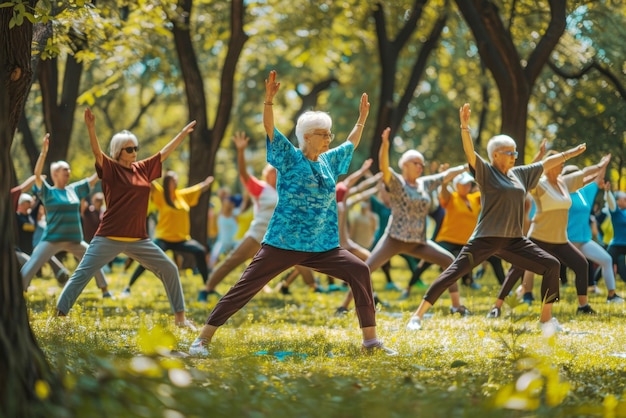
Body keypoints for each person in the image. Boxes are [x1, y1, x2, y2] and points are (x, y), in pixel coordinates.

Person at [189, 70, 395, 356]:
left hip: (321, 245)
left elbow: (351, 143)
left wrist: (361, 119)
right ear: (307, 137)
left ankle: (371, 342)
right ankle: (202, 339)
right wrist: (269, 102)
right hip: (283, 242)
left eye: (329, 134)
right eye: (323, 135)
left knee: (359, 270)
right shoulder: (289, 158)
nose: (328, 139)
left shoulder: (328, 161)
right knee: (245, 287)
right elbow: (270, 130)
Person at [405, 103, 586, 333]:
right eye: (509, 152)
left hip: (514, 240)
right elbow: (470, 154)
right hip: (486, 238)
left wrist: (570, 154)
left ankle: (546, 321)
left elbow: (545, 164)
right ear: (496, 155)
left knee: (551, 265)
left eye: (515, 152)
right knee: (452, 273)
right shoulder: (486, 172)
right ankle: (417, 316)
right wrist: (465, 128)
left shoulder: (520, 174)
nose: (514, 156)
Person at [55, 108, 196, 329]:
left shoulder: (143, 169)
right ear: (119, 151)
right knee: (82, 274)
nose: (134, 152)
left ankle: (181, 320)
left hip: (139, 239)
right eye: (129, 149)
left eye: (135, 148)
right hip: (108, 236)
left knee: (170, 269)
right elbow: (96, 152)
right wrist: (91, 128)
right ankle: (58, 317)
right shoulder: (110, 169)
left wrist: (181, 134)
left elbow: (163, 153)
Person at [337, 127, 468, 314]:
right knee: (366, 268)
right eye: (417, 163)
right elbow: (384, 167)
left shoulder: (425, 183)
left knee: (448, 260)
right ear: (405, 165)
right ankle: (344, 306)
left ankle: (456, 305)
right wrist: (385, 145)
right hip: (394, 239)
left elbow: (444, 176)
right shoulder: (397, 182)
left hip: (418, 242)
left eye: (422, 164)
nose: (420, 167)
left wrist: (465, 166)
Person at [198, 131, 319, 301]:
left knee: (302, 260)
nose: (274, 174)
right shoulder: (261, 188)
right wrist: (241, 151)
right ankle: (207, 289)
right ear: (265, 174)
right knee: (233, 261)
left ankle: (315, 288)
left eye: (277, 172)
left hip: (279, 238)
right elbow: (244, 176)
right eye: (271, 172)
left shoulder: (284, 191)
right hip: (257, 235)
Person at [487, 151, 610, 318]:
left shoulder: (563, 182)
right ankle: (497, 307)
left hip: (560, 240)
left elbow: (585, 173)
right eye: (559, 163)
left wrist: (601, 165)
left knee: (581, 265)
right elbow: (526, 174)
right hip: (539, 238)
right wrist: (538, 158)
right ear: (549, 166)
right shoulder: (539, 185)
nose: (562, 165)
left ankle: (583, 306)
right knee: (517, 270)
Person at [20, 134, 111, 296]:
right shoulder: (48, 192)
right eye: (64, 169)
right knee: (33, 263)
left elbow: (94, 178)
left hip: (75, 239)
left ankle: (105, 290)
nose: (68, 171)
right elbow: (37, 174)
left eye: (69, 169)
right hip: (52, 239)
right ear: (55, 174)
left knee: (94, 258)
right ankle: (18, 290)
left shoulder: (74, 190)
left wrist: (106, 161)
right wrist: (43, 153)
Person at [403, 171, 505, 299]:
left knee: (494, 259)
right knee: (426, 263)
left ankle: (505, 289)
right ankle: (408, 289)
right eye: (463, 184)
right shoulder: (451, 198)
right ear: (456, 185)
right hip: (448, 239)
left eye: (468, 184)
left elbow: (490, 191)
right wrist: (445, 182)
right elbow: (444, 193)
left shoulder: (474, 198)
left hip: (467, 241)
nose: (467, 186)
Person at [122, 171, 213, 294]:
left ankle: (208, 286)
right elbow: (149, 182)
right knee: (148, 257)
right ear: (167, 182)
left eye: (176, 179)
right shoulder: (161, 195)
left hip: (182, 239)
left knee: (200, 251)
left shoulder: (182, 196)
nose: (175, 182)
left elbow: (198, 188)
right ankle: (128, 286)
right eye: (172, 180)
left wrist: (207, 183)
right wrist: (139, 169)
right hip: (164, 238)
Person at [562, 159, 622, 302]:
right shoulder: (561, 194)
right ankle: (526, 292)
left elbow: (598, 179)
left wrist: (604, 164)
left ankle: (612, 295)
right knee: (548, 266)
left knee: (607, 260)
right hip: (565, 241)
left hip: (583, 241)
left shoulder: (584, 192)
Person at [606, 187, 626, 284]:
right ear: (617, 201)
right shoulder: (616, 212)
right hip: (616, 244)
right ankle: (594, 282)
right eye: (624, 199)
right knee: (606, 260)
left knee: (622, 267)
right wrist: (607, 191)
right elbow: (611, 202)